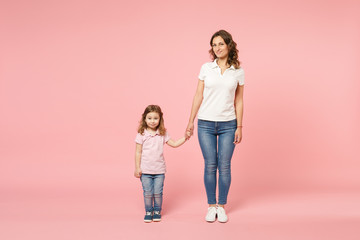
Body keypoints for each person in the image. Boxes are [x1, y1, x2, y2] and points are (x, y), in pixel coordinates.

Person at [185, 30, 245, 223]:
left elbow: (239, 101)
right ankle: (211, 206)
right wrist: (190, 121)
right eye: (214, 45)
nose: (217, 48)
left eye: (220, 44)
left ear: (229, 45)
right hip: (205, 123)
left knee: (224, 166)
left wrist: (239, 126)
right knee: (210, 165)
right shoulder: (206, 68)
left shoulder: (238, 71)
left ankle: (222, 206)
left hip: (229, 124)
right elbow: (198, 96)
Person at [135, 104, 186, 223]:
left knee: (158, 192)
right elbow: (138, 152)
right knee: (148, 193)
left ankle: (157, 211)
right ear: (144, 119)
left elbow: (174, 144)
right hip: (145, 170)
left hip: (159, 171)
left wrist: (185, 137)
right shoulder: (141, 134)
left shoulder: (162, 133)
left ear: (160, 119)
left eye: (155, 118)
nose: (152, 121)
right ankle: (148, 211)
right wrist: (137, 168)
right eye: (149, 118)